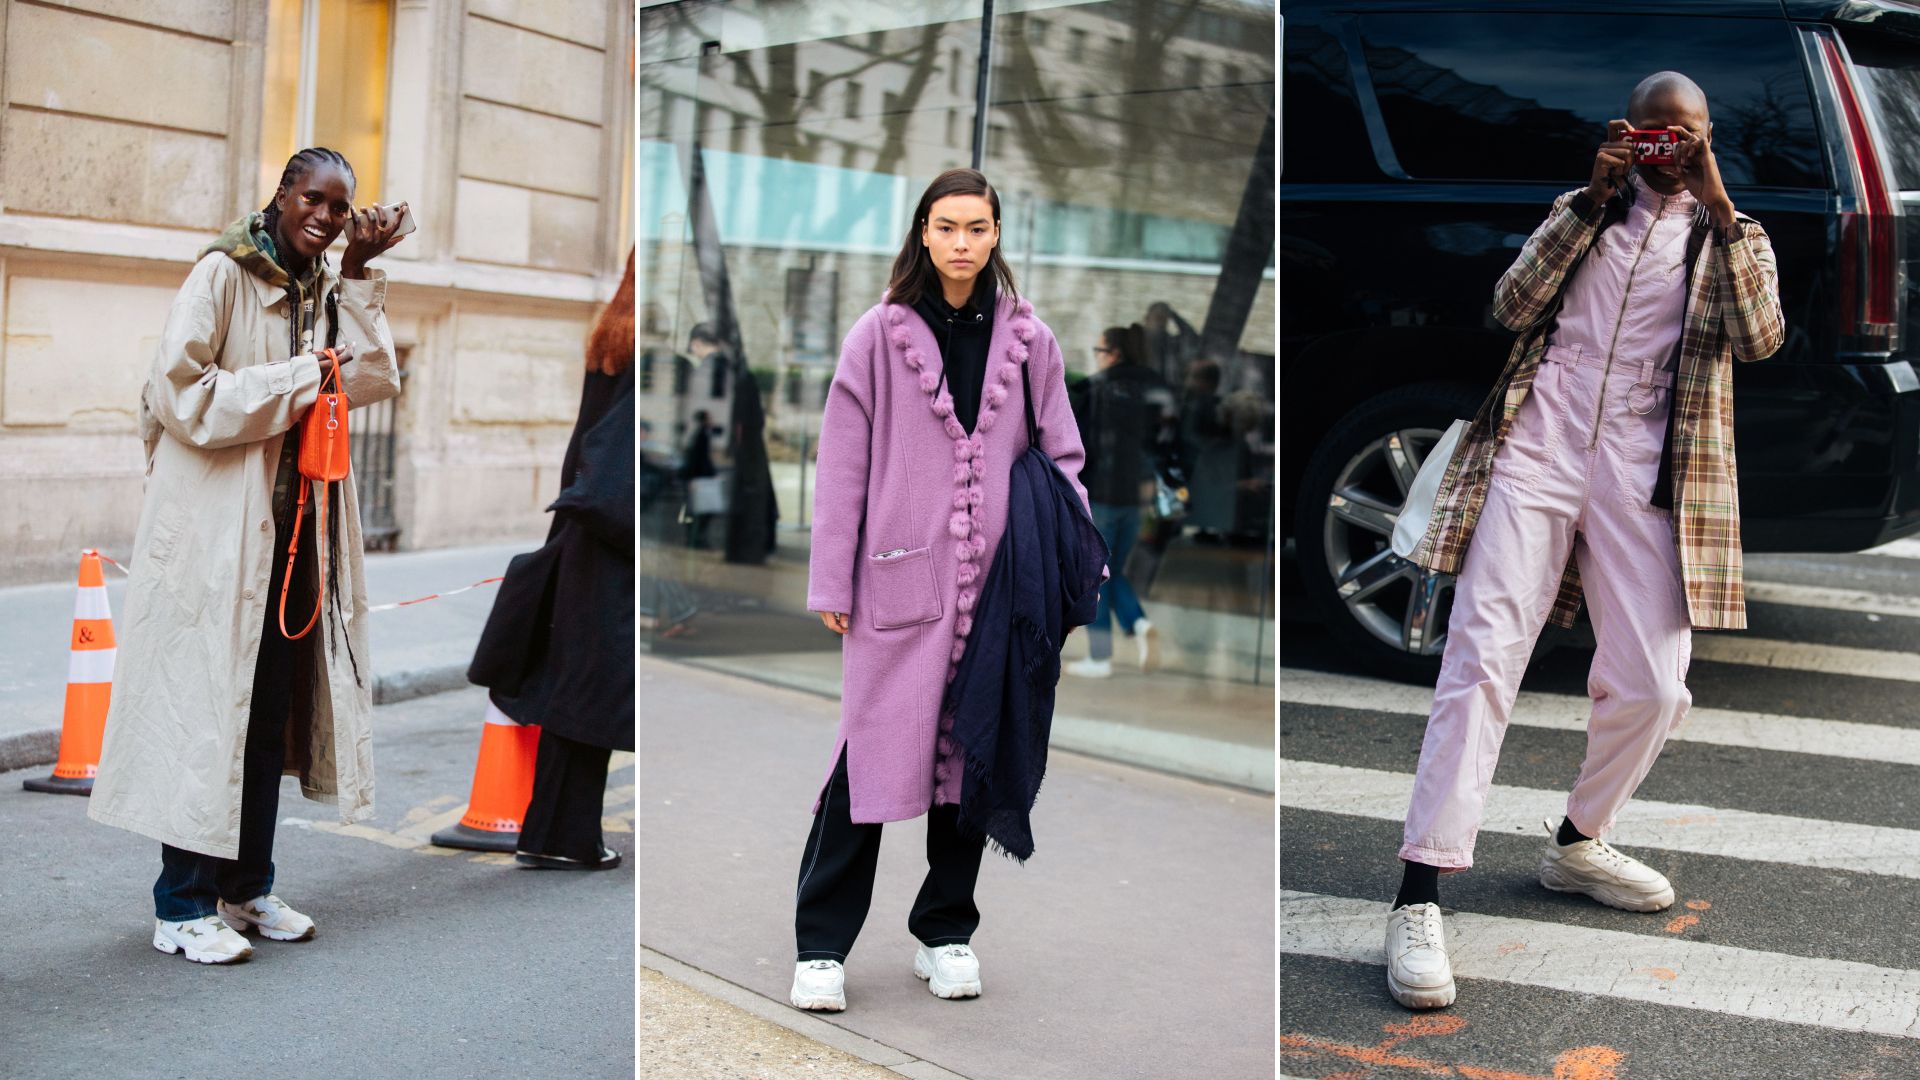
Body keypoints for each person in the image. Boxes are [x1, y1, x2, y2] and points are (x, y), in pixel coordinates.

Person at [1388, 73, 1785, 1009]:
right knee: (1482, 659)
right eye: (1651, 135)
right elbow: (1511, 306)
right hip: (1542, 440)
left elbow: (1758, 336)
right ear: (1626, 134)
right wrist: (1592, 200)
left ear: (1706, 136)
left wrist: (1720, 205)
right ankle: (1418, 892)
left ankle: (1577, 841)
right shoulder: (1583, 209)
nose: (1666, 152)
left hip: (1649, 460)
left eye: (1682, 136)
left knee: (1655, 683)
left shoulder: (1734, 234)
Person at [86, 148, 405, 964]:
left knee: (266, 720)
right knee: (205, 716)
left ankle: (246, 886)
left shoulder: (327, 284)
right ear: (281, 195)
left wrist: (362, 275)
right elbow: (180, 396)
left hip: (297, 543)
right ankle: (181, 905)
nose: (328, 218)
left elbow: (371, 380)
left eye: (341, 208)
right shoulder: (222, 275)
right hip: (213, 546)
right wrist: (304, 376)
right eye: (315, 199)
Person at [791, 167, 1090, 1012]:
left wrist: (1059, 568)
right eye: (947, 227)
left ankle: (946, 932)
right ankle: (821, 945)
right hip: (895, 584)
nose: (963, 243)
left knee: (973, 762)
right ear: (923, 232)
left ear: (997, 236)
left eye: (978, 229)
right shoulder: (878, 337)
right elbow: (843, 467)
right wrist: (831, 575)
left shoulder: (1031, 341)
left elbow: (1063, 460)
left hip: (1001, 591)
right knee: (868, 760)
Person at [468, 251, 635, 871]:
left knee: (580, 690)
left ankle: (553, 835)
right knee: (595, 694)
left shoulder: (613, 333)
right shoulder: (647, 348)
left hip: (582, 535)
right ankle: (564, 838)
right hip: (613, 538)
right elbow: (620, 461)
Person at [1066, 323, 1173, 678]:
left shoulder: (1097, 391)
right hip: (1138, 497)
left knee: (1098, 573)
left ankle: (1101, 657)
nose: (1097, 359)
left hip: (1103, 495)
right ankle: (1139, 625)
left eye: (1099, 351)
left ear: (1114, 353)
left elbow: (1078, 446)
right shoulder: (1156, 390)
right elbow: (1164, 443)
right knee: (1115, 571)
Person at [680, 408, 716, 549]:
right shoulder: (701, 435)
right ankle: (695, 539)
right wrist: (693, 479)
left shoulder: (701, 434)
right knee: (699, 510)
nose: (712, 421)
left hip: (698, 478)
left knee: (699, 510)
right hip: (698, 479)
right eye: (710, 418)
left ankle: (695, 538)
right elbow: (698, 458)